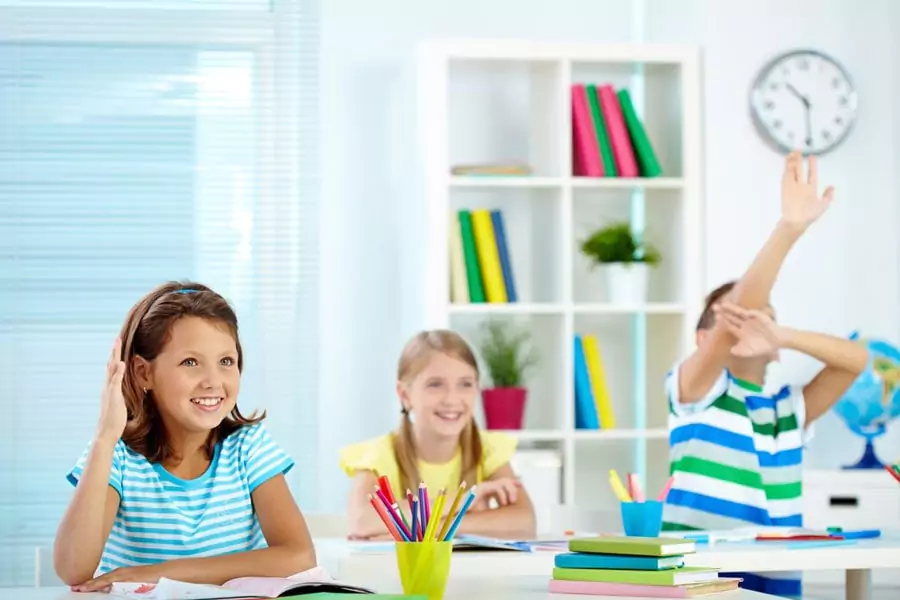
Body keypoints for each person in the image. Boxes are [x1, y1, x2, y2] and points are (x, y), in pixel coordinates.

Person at [662, 152, 872, 598]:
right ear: (704, 340)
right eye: (731, 320)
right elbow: (739, 309)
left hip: (775, 583)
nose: (747, 322)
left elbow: (855, 359)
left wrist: (784, 335)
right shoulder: (694, 393)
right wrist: (789, 228)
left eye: (763, 318)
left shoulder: (787, 412)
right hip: (698, 582)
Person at [54, 282, 316, 592]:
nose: (213, 381)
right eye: (190, 362)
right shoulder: (118, 456)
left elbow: (299, 556)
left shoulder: (248, 448)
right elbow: (73, 568)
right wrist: (104, 437)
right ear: (143, 373)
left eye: (226, 362)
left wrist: (161, 573)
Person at [340, 329, 536, 540]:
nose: (452, 399)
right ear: (405, 395)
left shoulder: (487, 449)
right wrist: (465, 500)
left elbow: (525, 522)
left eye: (465, 384)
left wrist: (423, 529)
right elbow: (361, 521)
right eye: (435, 385)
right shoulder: (379, 455)